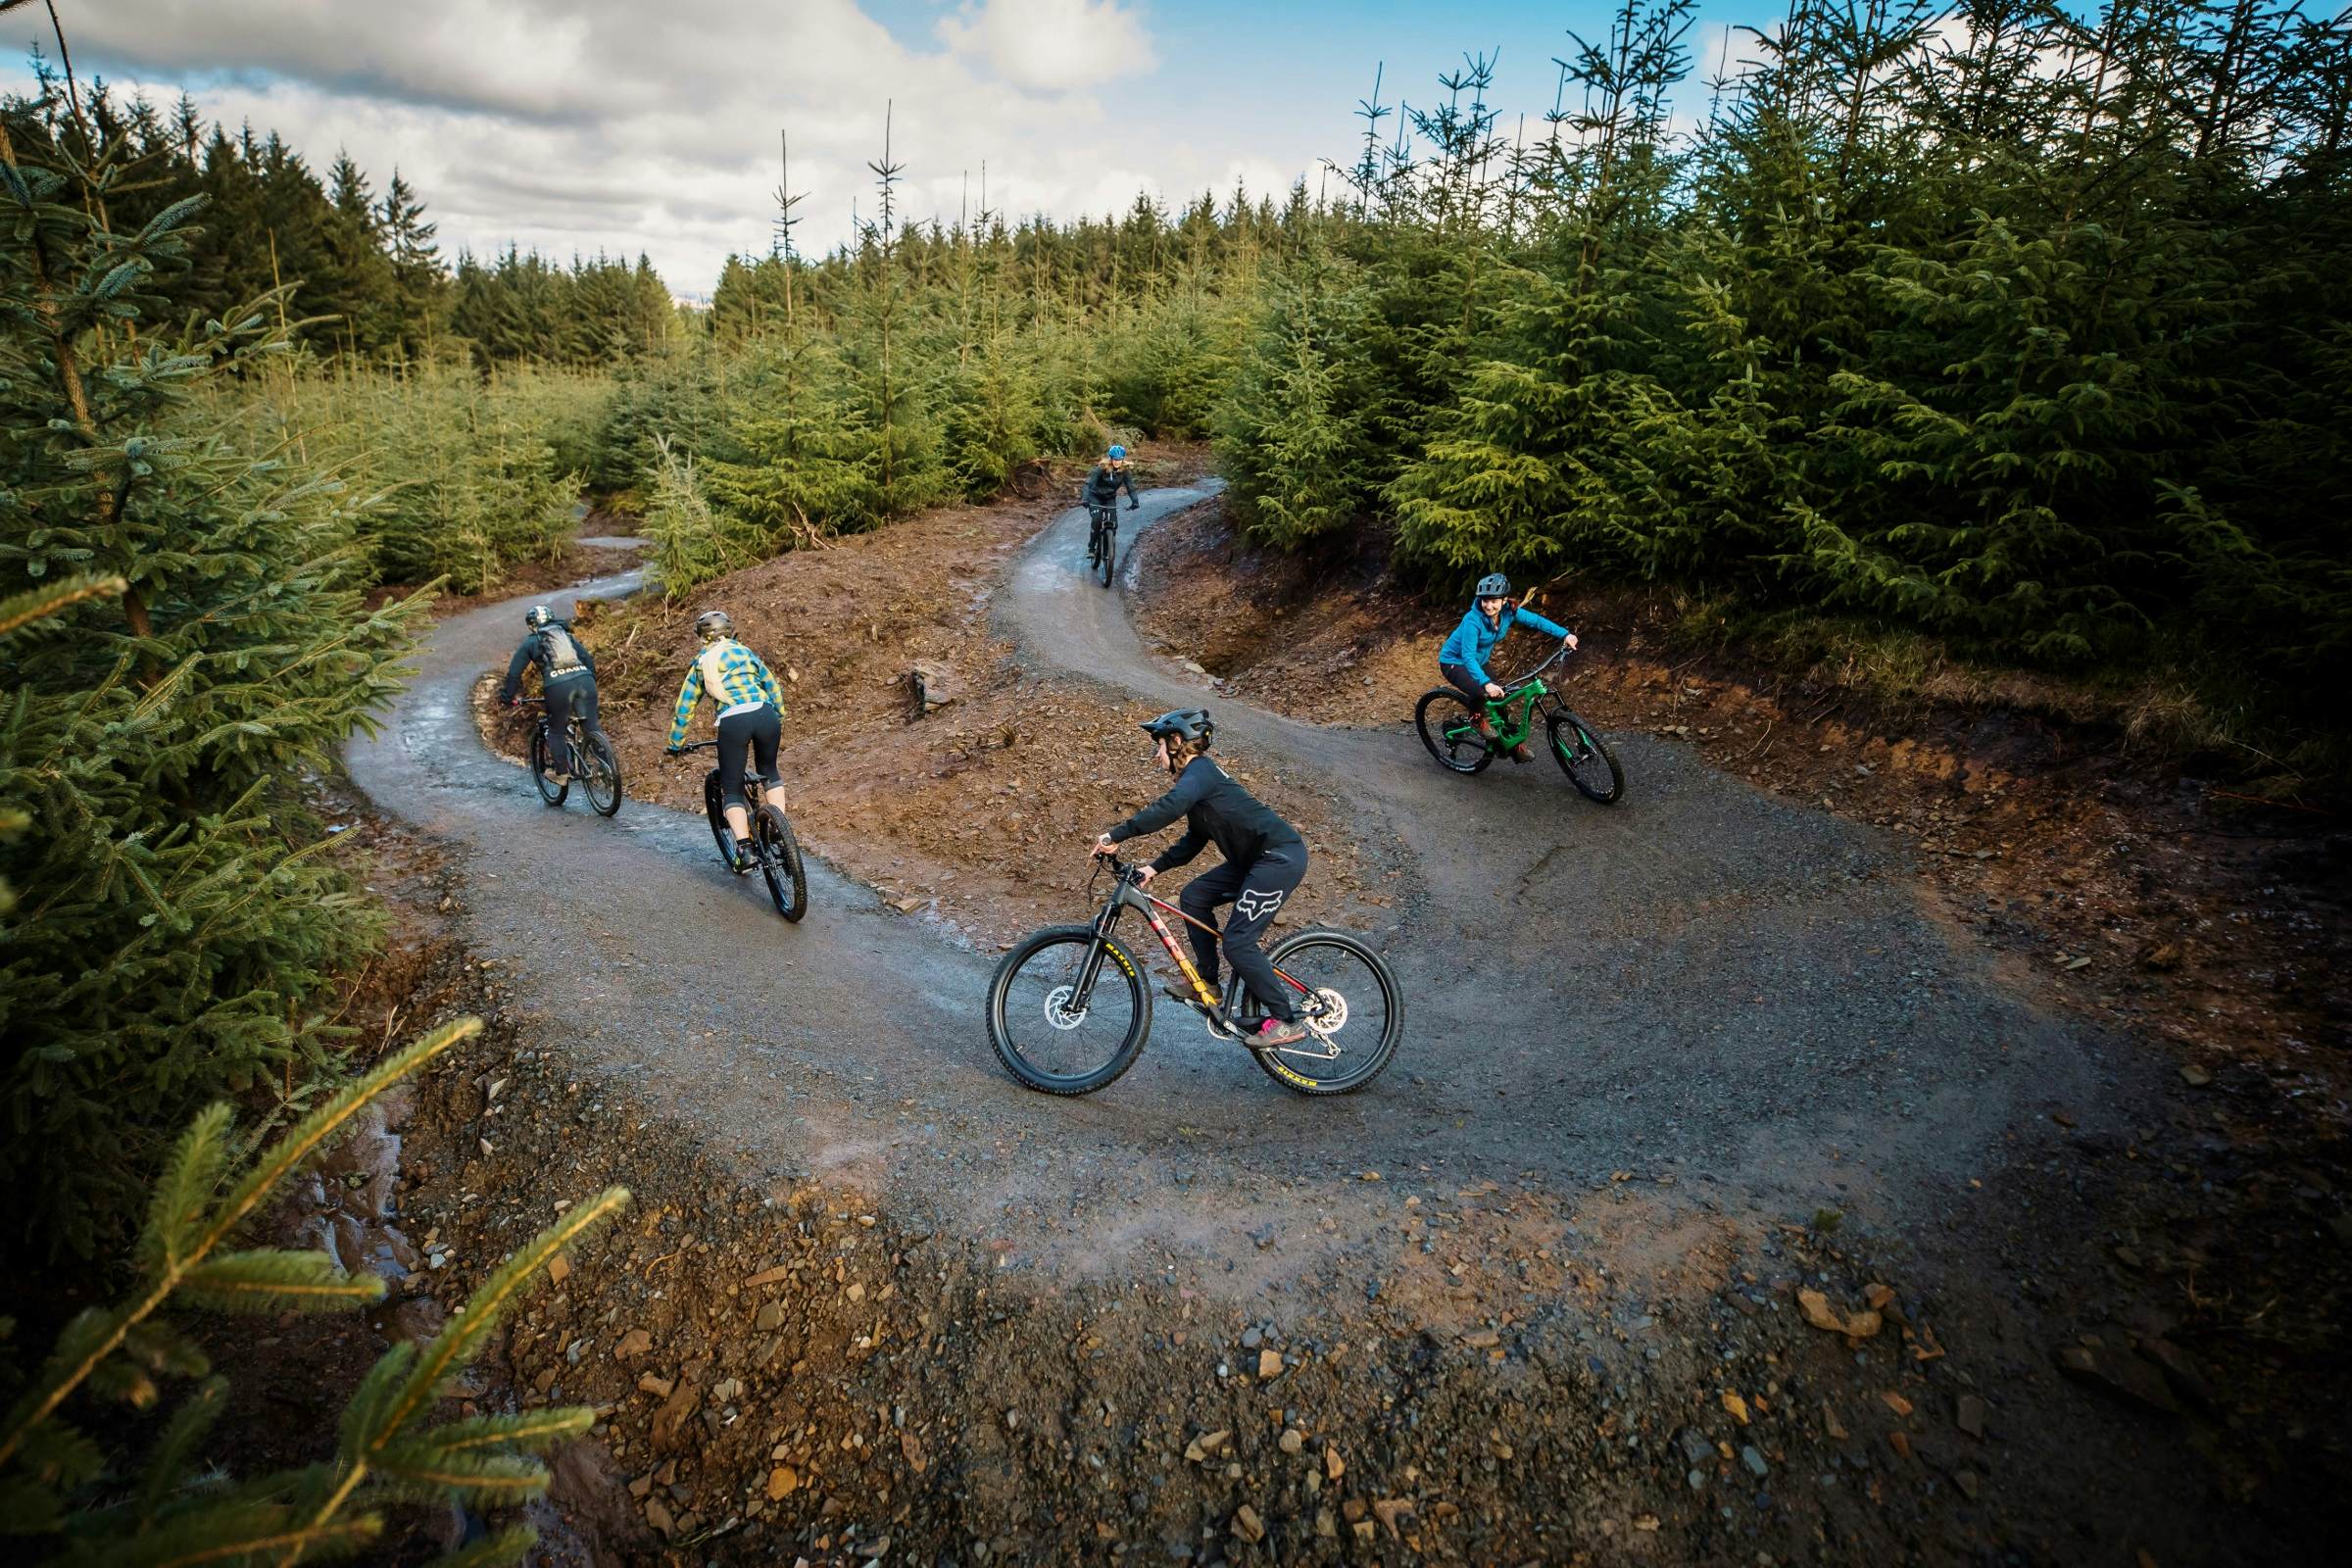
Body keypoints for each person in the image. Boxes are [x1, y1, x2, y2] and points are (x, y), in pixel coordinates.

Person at [1090, 709, 1309, 1050]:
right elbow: (1194, 839)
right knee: (1194, 897)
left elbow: (1170, 807)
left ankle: (1285, 1020)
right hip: (1253, 861)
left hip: (1278, 858)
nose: (1157, 755)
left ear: (1178, 742)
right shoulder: (1199, 785)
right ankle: (1207, 982)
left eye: (1159, 745)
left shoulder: (1201, 772)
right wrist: (1154, 868)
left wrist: (1117, 834)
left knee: (1238, 942)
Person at [662, 609, 787, 870]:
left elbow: (684, 708)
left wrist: (675, 744)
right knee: (769, 771)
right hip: (765, 715)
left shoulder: (701, 663)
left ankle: (744, 849)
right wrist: (778, 715)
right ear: (729, 631)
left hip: (734, 722)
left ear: (702, 637)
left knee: (731, 787)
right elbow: (772, 685)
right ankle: (779, 829)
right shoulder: (744, 651)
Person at [1438, 572, 1578, 762]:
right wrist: (1486, 683)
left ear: (1504, 600)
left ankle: (1511, 744)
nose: (1488, 605)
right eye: (1484, 600)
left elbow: (1537, 621)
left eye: (1494, 601)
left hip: (1479, 661)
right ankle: (1477, 719)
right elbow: (1468, 655)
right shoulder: (1473, 620)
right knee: (1481, 693)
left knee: (1501, 700)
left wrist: (1565, 635)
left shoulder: (1509, 612)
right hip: (1455, 661)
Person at [500, 604, 601, 780]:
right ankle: (607, 770)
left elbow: (514, 674)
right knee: (592, 727)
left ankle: (561, 773)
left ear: (532, 625)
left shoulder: (530, 642)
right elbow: (587, 659)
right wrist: (589, 679)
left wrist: (506, 697)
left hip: (558, 687)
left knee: (556, 730)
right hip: (585, 681)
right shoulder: (566, 636)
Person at [1080, 443, 1141, 546]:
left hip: (1109, 498)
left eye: (1120, 459)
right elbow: (1088, 484)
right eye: (1115, 459)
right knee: (1097, 520)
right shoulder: (1101, 469)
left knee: (1114, 524)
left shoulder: (1124, 472)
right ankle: (1091, 546)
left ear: (1123, 459)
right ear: (1111, 459)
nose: (1117, 462)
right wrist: (1085, 499)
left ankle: (1109, 547)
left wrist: (1135, 501)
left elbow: (1130, 487)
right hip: (1095, 497)